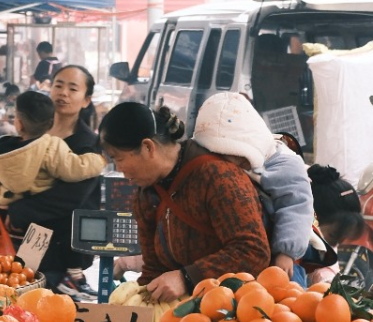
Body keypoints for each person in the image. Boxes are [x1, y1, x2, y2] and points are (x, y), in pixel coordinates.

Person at [99, 99, 271, 303]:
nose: (118, 169)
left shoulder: (217, 177)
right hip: (183, 317)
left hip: (239, 311)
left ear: (147, 147)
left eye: (117, 158)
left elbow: (253, 251)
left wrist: (187, 277)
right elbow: (154, 268)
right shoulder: (146, 195)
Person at [0, 89, 104, 294]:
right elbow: (74, 169)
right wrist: (97, 160)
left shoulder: (3, 150)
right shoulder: (51, 146)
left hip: (13, 213)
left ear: (19, 123)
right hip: (47, 222)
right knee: (71, 222)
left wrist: (0, 185)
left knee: (22, 275)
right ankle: (74, 274)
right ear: (51, 123)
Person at [192, 92, 314, 281]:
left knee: (288, 300)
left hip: (279, 261)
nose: (232, 164)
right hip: (239, 260)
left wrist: (286, 252)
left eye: (236, 157)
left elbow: (297, 208)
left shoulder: (285, 166)